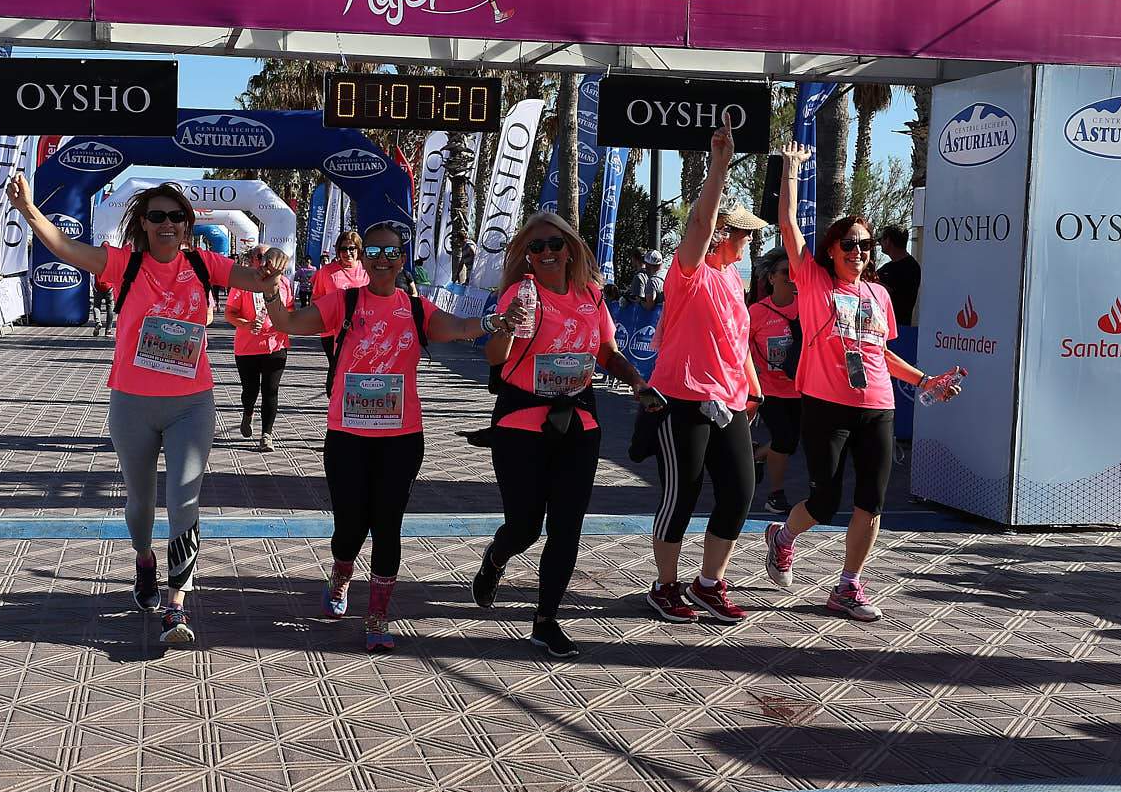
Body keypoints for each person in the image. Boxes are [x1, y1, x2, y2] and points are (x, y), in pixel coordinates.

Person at [9, 173, 278, 647]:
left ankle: (176, 602)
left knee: (184, 500)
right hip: (132, 403)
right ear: (143, 224)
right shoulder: (123, 265)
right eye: (157, 217)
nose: (168, 224)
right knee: (141, 506)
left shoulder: (205, 263)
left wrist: (273, 264)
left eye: (176, 216)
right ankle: (144, 561)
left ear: (187, 223)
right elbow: (68, 249)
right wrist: (30, 211)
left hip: (191, 405)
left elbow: (257, 279)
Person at [262, 222, 499, 650]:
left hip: (401, 439)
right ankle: (341, 574)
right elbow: (288, 322)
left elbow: (464, 328)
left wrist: (494, 321)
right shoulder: (346, 301)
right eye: (373, 251)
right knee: (350, 527)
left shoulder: (417, 308)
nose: (383, 259)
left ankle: (377, 616)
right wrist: (268, 288)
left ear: (402, 258)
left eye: (391, 252)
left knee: (388, 526)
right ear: (365, 258)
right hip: (348, 436)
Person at [764, 142, 962, 621]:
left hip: (877, 405)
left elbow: (880, 352)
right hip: (825, 405)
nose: (858, 252)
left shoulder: (878, 292)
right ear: (832, 250)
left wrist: (925, 381)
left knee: (871, 499)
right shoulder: (813, 283)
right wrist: (790, 171)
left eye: (865, 245)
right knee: (826, 500)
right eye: (848, 244)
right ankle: (784, 535)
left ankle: (848, 585)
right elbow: (789, 227)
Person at [476, 211, 666, 659]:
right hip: (521, 422)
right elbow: (494, 360)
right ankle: (497, 557)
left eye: (554, 245)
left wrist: (638, 383)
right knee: (525, 527)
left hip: (580, 423)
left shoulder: (590, 295)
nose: (545, 253)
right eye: (535, 247)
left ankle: (545, 621)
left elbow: (608, 351)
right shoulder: (519, 295)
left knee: (566, 528)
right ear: (525, 254)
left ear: (570, 249)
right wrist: (505, 325)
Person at [644, 123, 765, 626]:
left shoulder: (733, 279)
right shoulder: (687, 270)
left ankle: (708, 583)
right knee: (683, 493)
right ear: (723, 233)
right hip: (682, 399)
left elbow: (738, 341)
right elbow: (697, 225)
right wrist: (718, 166)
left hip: (730, 401)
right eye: (744, 233)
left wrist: (754, 391)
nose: (749, 241)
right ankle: (665, 585)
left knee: (739, 491)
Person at [748, 250, 803, 514]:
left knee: (791, 441)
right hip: (769, 389)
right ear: (771, 278)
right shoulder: (756, 312)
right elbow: (741, 348)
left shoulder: (806, 306)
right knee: (784, 437)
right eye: (785, 273)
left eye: (795, 273)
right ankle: (775, 495)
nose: (791, 278)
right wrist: (751, 379)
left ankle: (756, 456)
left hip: (801, 389)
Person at [225, 246, 293, 451]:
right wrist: (246, 324)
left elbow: (290, 309)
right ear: (253, 260)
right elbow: (229, 313)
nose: (266, 262)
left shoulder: (284, 283)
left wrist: (283, 319)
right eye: (261, 257)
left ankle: (267, 434)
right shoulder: (243, 284)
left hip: (276, 345)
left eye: (270, 257)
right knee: (250, 391)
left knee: (271, 390)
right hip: (248, 347)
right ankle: (247, 411)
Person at [313, 232, 368, 371]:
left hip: (362, 330)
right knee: (337, 369)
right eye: (343, 249)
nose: (347, 253)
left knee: (359, 369)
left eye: (352, 248)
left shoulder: (367, 269)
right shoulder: (326, 271)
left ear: (359, 250)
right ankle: (334, 393)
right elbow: (316, 299)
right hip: (332, 332)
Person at [877, 226, 921, 327]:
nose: (880, 244)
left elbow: (899, 296)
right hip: (882, 325)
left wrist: (874, 285)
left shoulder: (911, 267)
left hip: (899, 327)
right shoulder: (886, 268)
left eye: (881, 240)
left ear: (888, 240)